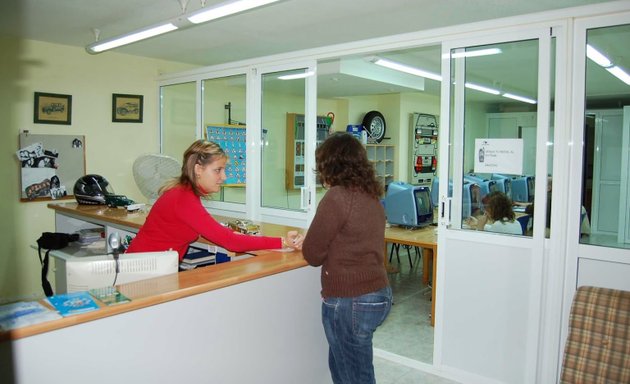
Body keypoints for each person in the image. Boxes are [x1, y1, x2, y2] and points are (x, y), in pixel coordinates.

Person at [301, 132, 392, 384]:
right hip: (378, 293)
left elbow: (312, 254)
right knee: (345, 366)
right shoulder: (371, 196)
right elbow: (353, 242)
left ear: (331, 164)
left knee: (353, 375)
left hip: (351, 300)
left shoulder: (337, 197)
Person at [126, 139, 303, 260]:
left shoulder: (182, 193)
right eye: (218, 170)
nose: (224, 176)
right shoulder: (183, 199)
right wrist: (282, 241)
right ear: (198, 169)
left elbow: (221, 233)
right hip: (142, 272)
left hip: (148, 267)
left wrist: (274, 243)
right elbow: (230, 241)